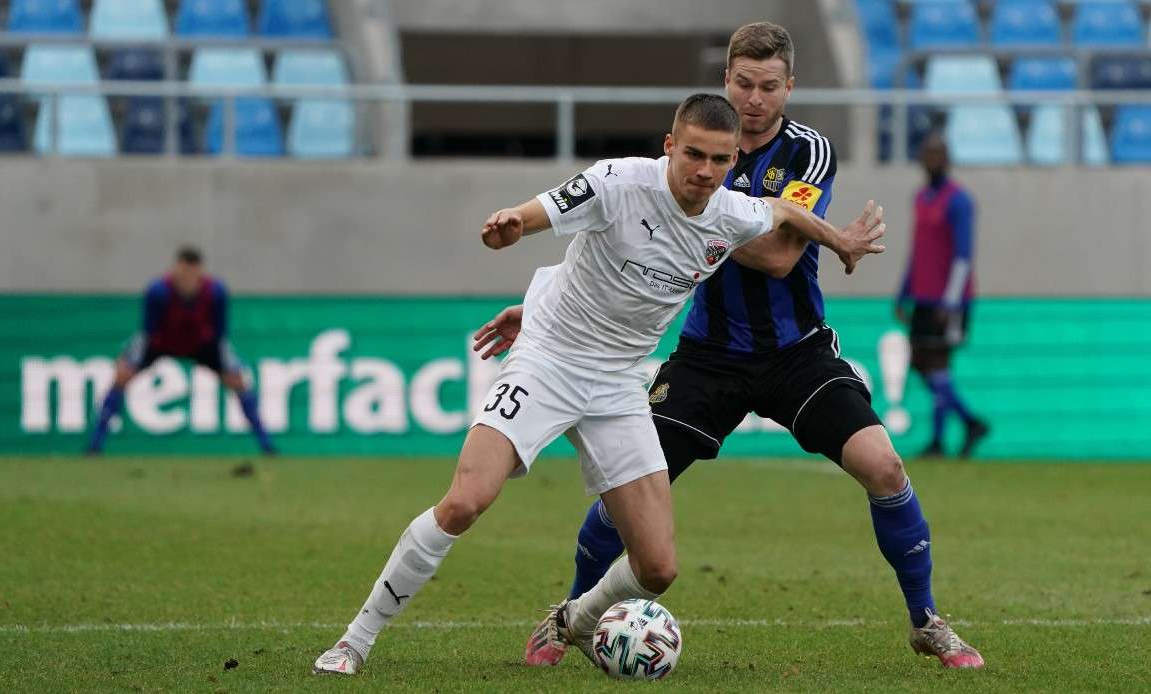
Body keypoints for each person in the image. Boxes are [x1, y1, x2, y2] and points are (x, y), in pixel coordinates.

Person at [312, 93, 886, 676]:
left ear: (733, 159)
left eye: (718, 160)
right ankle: (354, 641)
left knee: (658, 567)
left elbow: (785, 214)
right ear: (669, 145)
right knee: (466, 499)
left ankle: (574, 622)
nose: (704, 171)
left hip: (617, 384)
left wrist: (838, 240)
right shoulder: (617, 182)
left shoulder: (732, 213)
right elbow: (535, 213)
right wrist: (509, 227)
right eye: (692, 154)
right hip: (550, 361)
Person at [475, 23, 984, 670]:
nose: (754, 99)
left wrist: (700, 209)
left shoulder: (807, 153)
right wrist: (549, 306)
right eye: (744, 83)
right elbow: (632, 236)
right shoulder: (698, 148)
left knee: (884, 467)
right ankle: (571, 614)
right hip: (708, 356)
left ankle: (926, 621)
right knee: (622, 495)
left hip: (796, 352)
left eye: (769, 86)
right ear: (727, 82)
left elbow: (775, 256)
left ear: (789, 88)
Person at [85, 246, 276, 455]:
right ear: (176, 269)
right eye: (183, 272)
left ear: (200, 273)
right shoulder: (158, 291)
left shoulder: (216, 293)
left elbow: (221, 335)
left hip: (202, 344)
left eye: (192, 273)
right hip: (161, 342)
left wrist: (229, 365)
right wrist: (128, 361)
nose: (187, 279)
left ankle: (266, 444)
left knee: (239, 380)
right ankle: (95, 444)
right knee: (121, 376)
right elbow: (146, 332)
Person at [895, 133, 989, 459]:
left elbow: (964, 255)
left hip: (948, 301)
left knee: (938, 364)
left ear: (948, 161)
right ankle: (968, 422)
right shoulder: (921, 198)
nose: (932, 162)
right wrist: (903, 293)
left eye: (938, 156)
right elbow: (917, 251)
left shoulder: (959, 201)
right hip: (922, 296)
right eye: (928, 155)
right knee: (923, 365)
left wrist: (951, 301)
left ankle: (940, 439)